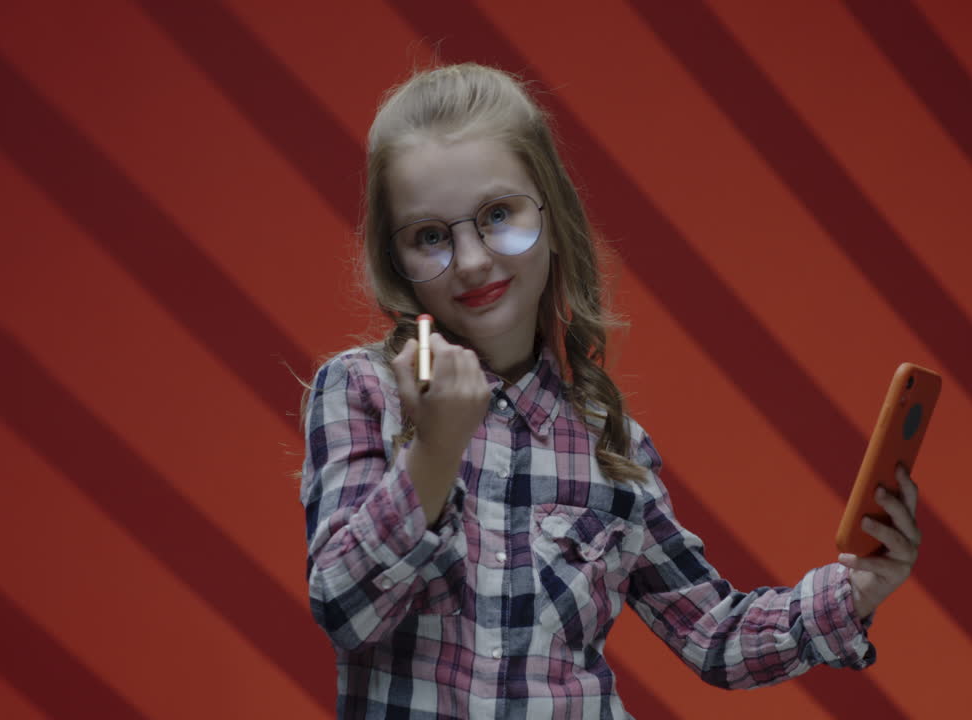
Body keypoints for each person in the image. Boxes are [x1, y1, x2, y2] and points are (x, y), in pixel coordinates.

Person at [299, 62, 921, 719]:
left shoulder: (606, 444)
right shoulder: (363, 391)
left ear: (553, 214)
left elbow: (715, 637)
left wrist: (857, 589)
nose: (474, 260)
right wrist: (434, 452)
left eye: (498, 215)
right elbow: (344, 610)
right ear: (395, 260)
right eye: (430, 236)